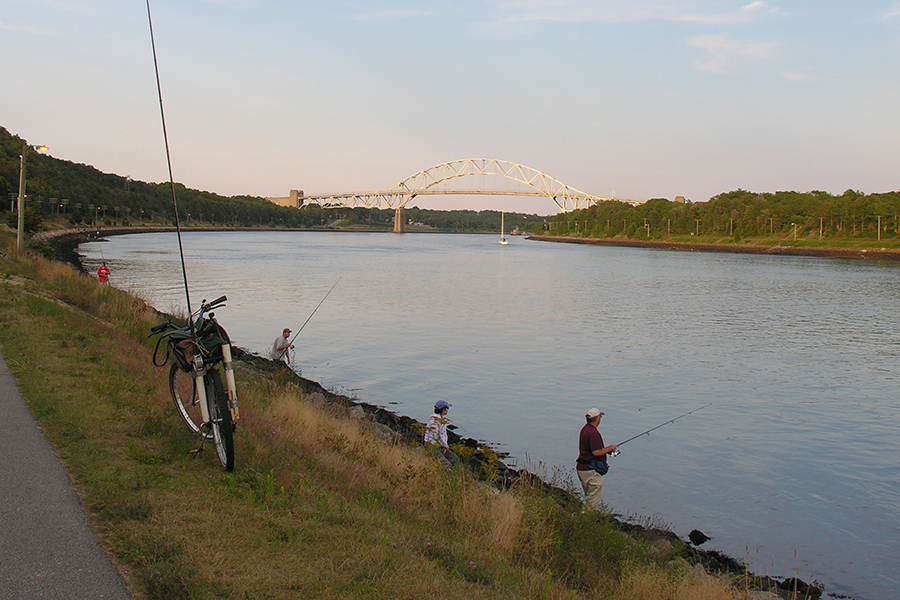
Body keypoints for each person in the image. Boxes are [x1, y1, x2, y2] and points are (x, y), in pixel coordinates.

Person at [575, 408, 618, 511]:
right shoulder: (593, 433)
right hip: (590, 470)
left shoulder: (585, 429)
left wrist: (607, 450)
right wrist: (611, 449)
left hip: (583, 468)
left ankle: (587, 518)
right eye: (600, 417)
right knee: (593, 499)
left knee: (589, 497)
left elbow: (594, 450)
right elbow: (596, 452)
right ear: (597, 418)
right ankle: (586, 519)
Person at [424, 400, 458, 469]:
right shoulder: (434, 420)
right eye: (446, 408)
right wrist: (445, 445)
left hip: (439, 445)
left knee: (455, 459)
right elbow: (436, 436)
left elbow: (444, 435)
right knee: (446, 465)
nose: (447, 410)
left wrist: (445, 446)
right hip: (431, 446)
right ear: (442, 409)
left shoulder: (441, 420)